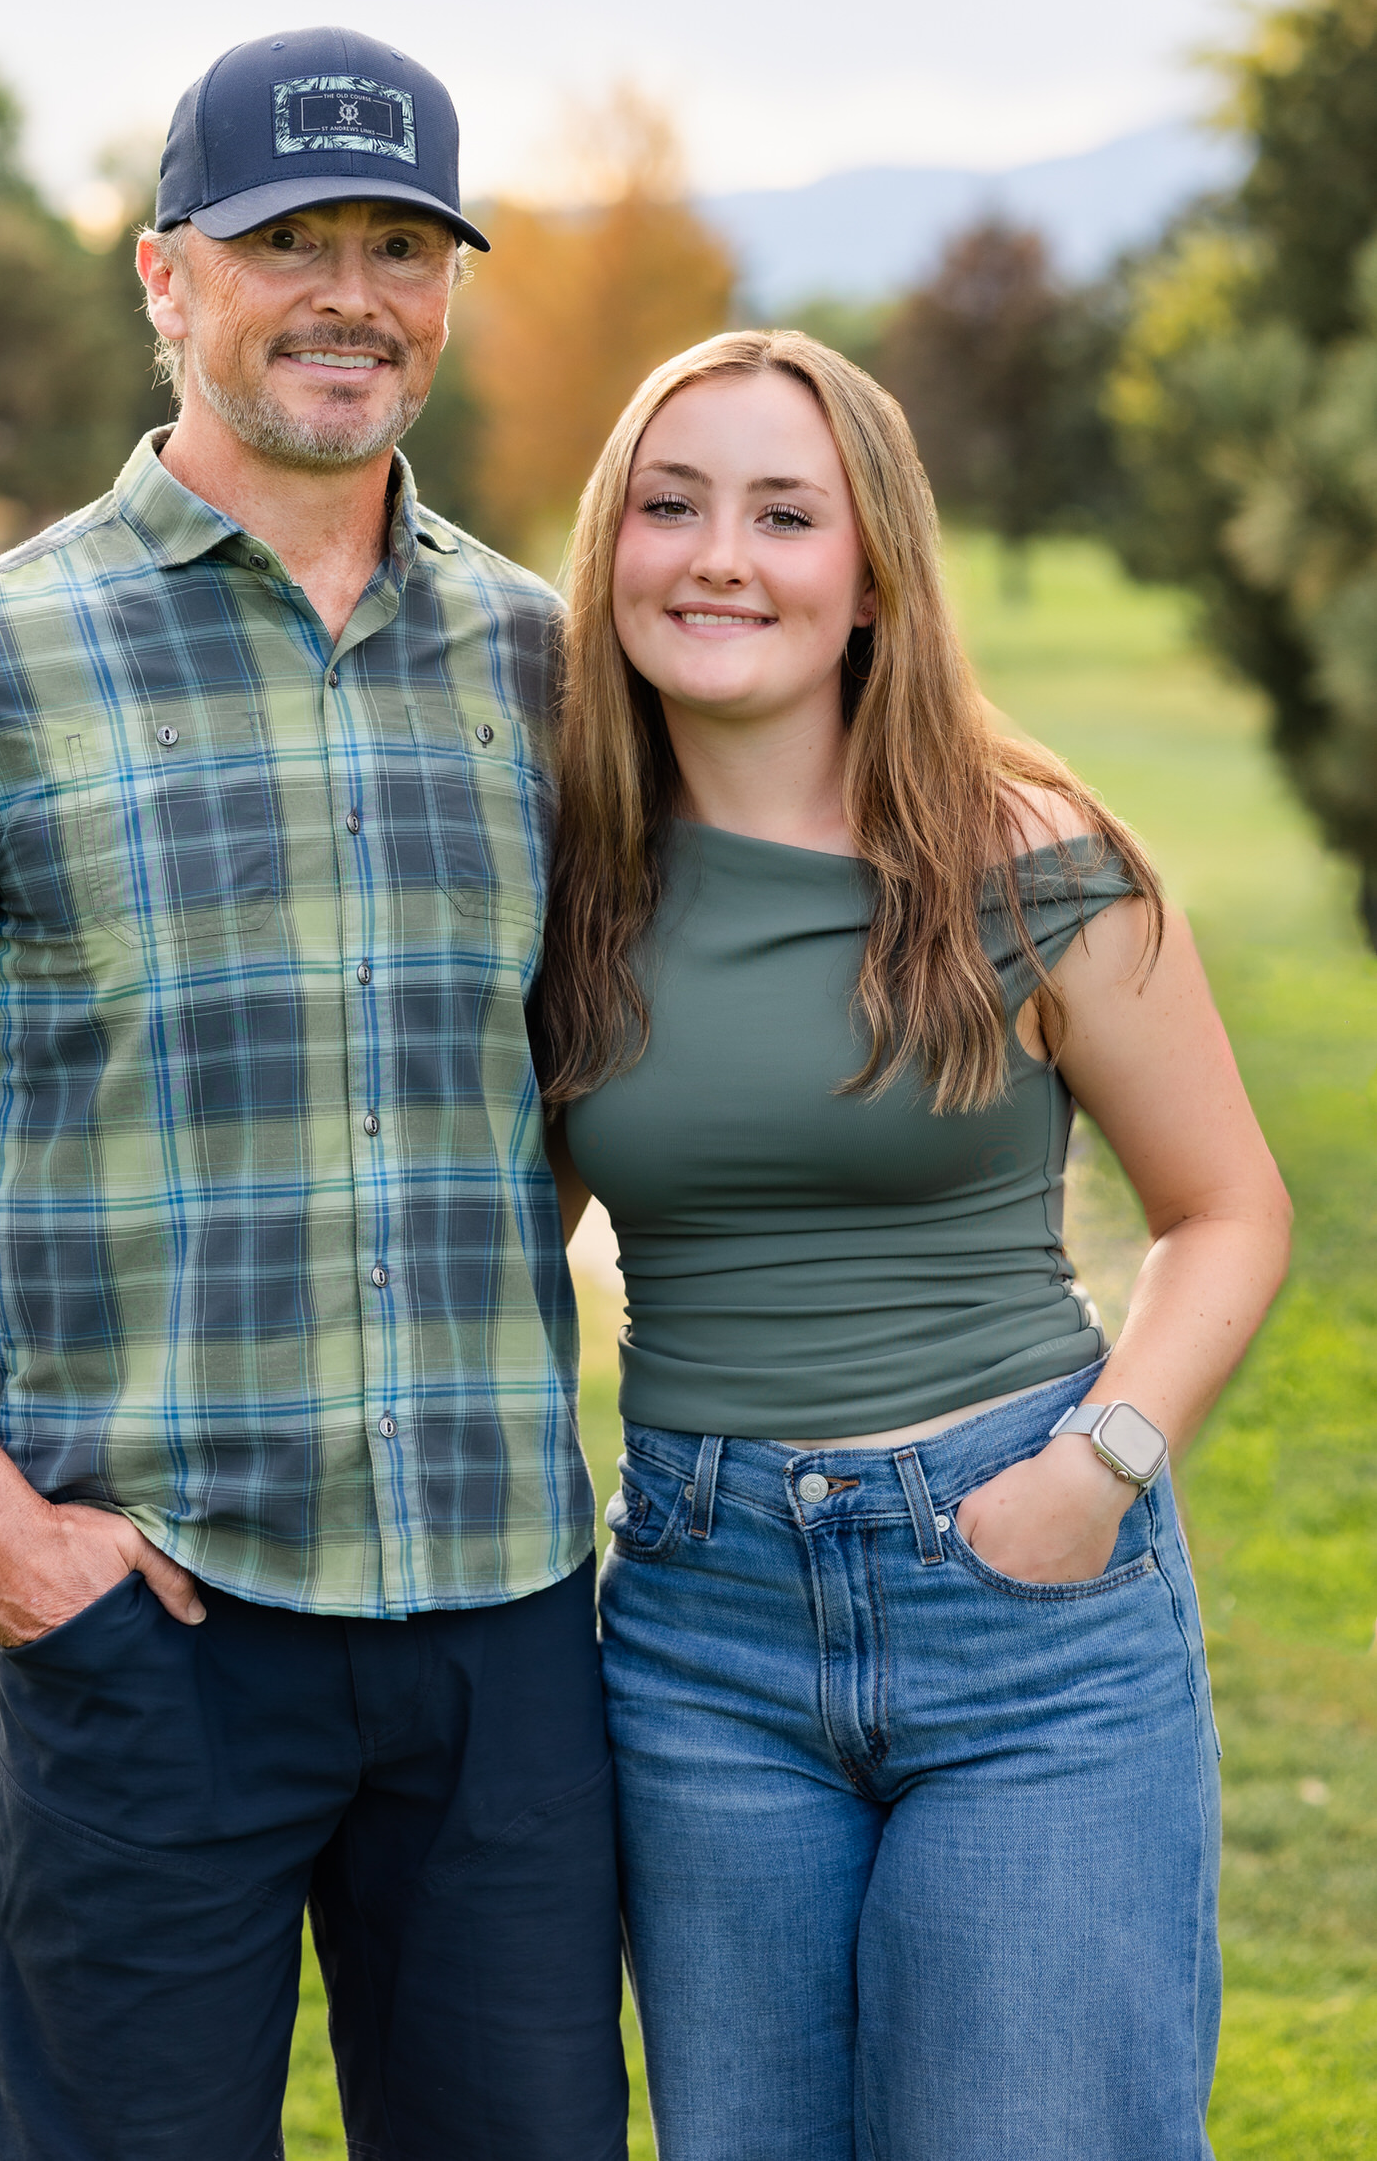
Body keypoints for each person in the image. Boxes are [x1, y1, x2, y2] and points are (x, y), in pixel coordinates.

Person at [0, 28, 627, 2161]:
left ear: (446, 285)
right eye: (287, 241)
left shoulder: (545, 661)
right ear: (164, 276)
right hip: (149, 1635)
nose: (352, 291)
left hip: (501, 1627)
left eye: (399, 245)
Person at [536, 328, 1291, 2161]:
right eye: (674, 504)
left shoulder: (1025, 861)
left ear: (872, 575)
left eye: (784, 515)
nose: (721, 555)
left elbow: (1226, 1212)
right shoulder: (565, 881)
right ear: (610, 549)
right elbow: (489, 1232)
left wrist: (1094, 1475)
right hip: (701, 1629)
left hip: (1022, 1602)